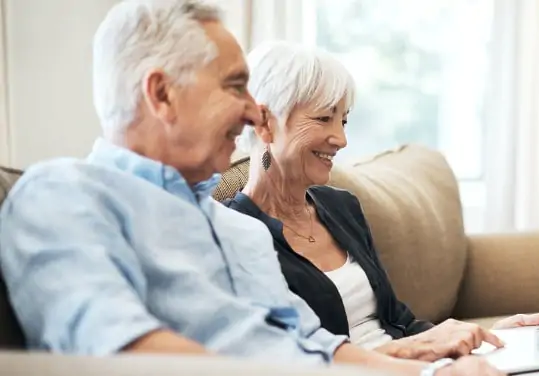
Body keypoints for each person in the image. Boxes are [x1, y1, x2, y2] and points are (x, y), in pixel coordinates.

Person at [0, 1, 503, 375]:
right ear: (162, 94)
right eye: (235, 87)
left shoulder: (236, 229)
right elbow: (118, 351)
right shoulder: (63, 195)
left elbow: (320, 348)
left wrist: (433, 370)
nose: (251, 111)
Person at [223, 41, 539, 376]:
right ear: (264, 122)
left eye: (344, 121)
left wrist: (489, 339)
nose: (340, 140)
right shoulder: (234, 234)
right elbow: (299, 360)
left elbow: (399, 322)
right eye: (324, 118)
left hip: (423, 366)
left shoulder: (339, 206)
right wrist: (426, 355)